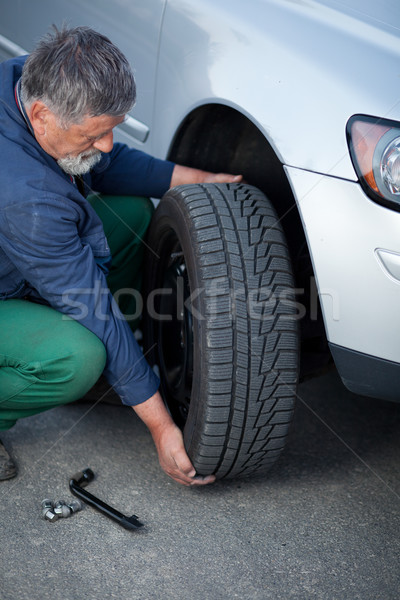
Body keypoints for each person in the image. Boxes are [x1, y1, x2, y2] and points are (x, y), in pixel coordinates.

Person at [0, 26, 242, 485]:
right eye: (93, 135)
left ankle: (121, 375)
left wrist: (204, 178)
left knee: (130, 214)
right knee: (78, 355)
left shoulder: (23, 79)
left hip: (19, 252)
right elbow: (89, 305)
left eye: (111, 130)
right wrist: (161, 426)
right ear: (41, 115)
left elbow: (113, 165)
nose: (107, 144)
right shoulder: (24, 197)